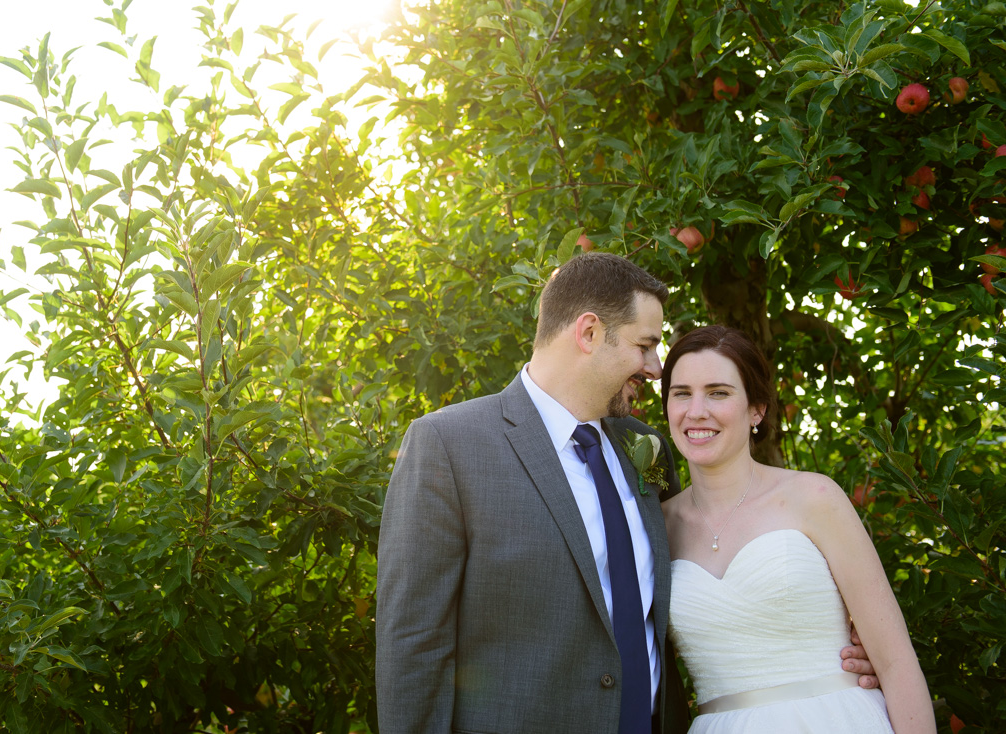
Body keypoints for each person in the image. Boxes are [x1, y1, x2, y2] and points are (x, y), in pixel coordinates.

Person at [376, 253, 877, 734]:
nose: (656, 368)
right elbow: (413, 642)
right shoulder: (448, 444)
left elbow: (694, 569)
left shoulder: (648, 449)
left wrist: (826, 631)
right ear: (589, 333)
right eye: (645, 345)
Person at [660, 325, 935, 733]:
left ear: (757, 409)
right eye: (681, 393)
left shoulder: (815, 497)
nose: (696, 410)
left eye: (718, 392)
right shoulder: (656, 526)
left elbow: (895, 663)